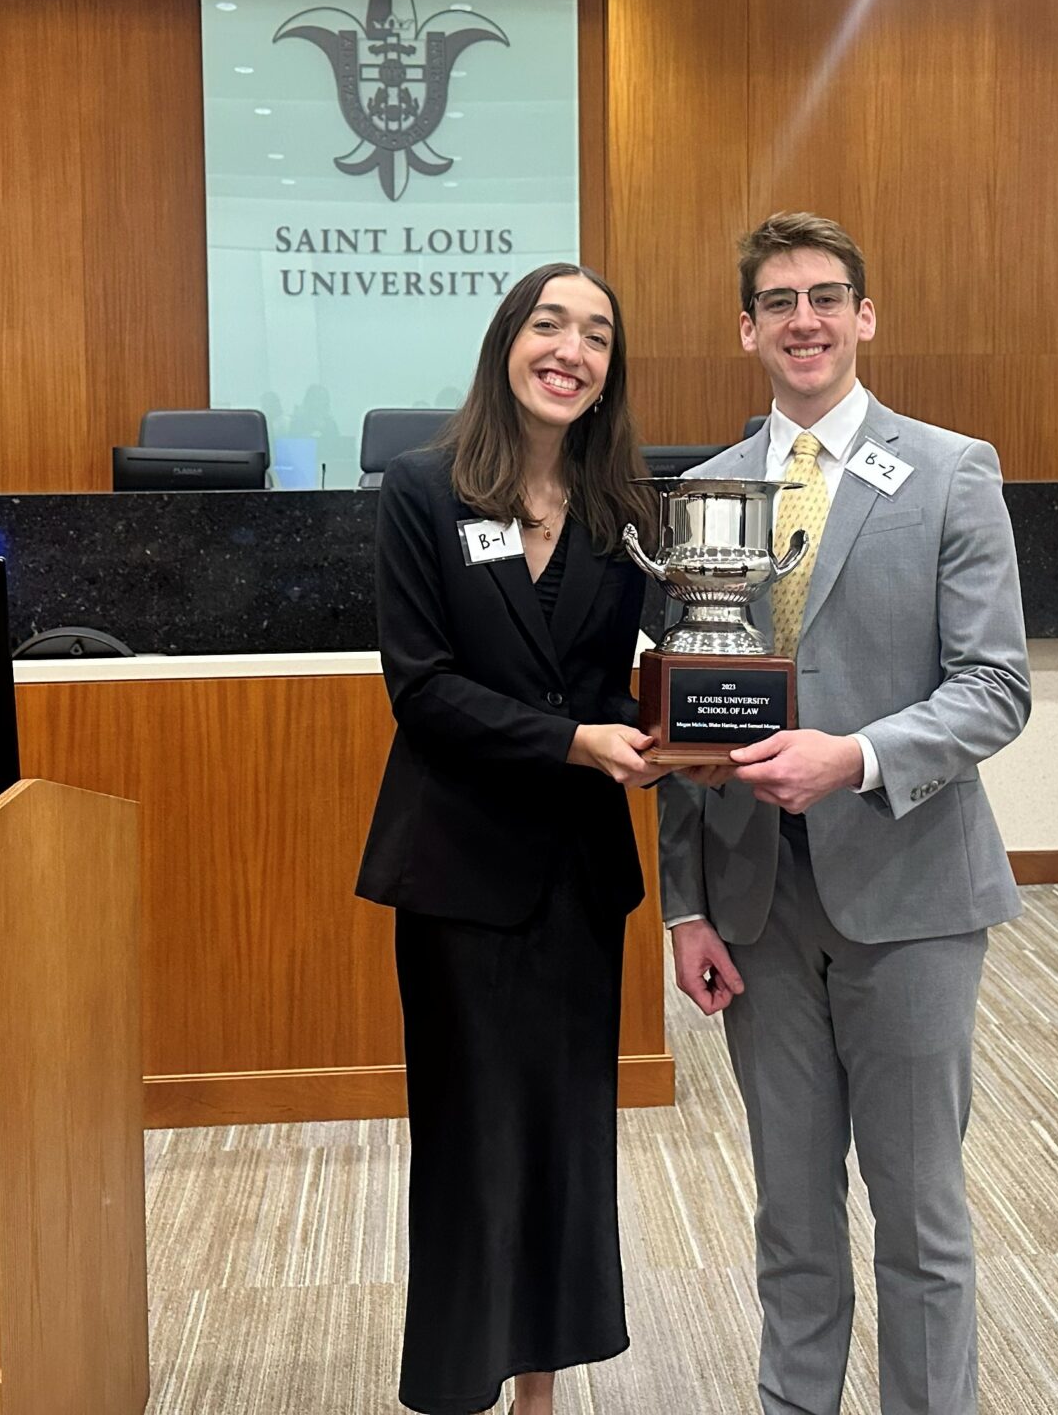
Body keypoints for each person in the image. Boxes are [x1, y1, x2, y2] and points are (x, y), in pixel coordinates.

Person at [658, 211, 1031, 1415]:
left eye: (826, 297)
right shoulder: (705, 494)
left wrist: (856, 758)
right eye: (778, 302)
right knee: (790, 1210)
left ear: (864, 316)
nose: (803, 321)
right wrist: (685, 909)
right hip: (756, 909)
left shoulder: (950, 469)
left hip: (911, 894)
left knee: (918, 1212)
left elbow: (994, 687)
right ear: (748, 330)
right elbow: (677, 724)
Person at [355, 262, 662, 1415]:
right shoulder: (424, 489)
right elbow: (420, 689)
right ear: (508, 342)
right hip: (456, 872)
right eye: (550, 324)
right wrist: (574, 743)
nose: (570, 349)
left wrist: (670, 729)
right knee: (470, 1142)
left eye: (595, 335)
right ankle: (456, 1383)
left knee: (564, 1141)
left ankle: (539, 1388)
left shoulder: (627, 513)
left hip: (577, 880)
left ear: (607, 372)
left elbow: (613, 687)